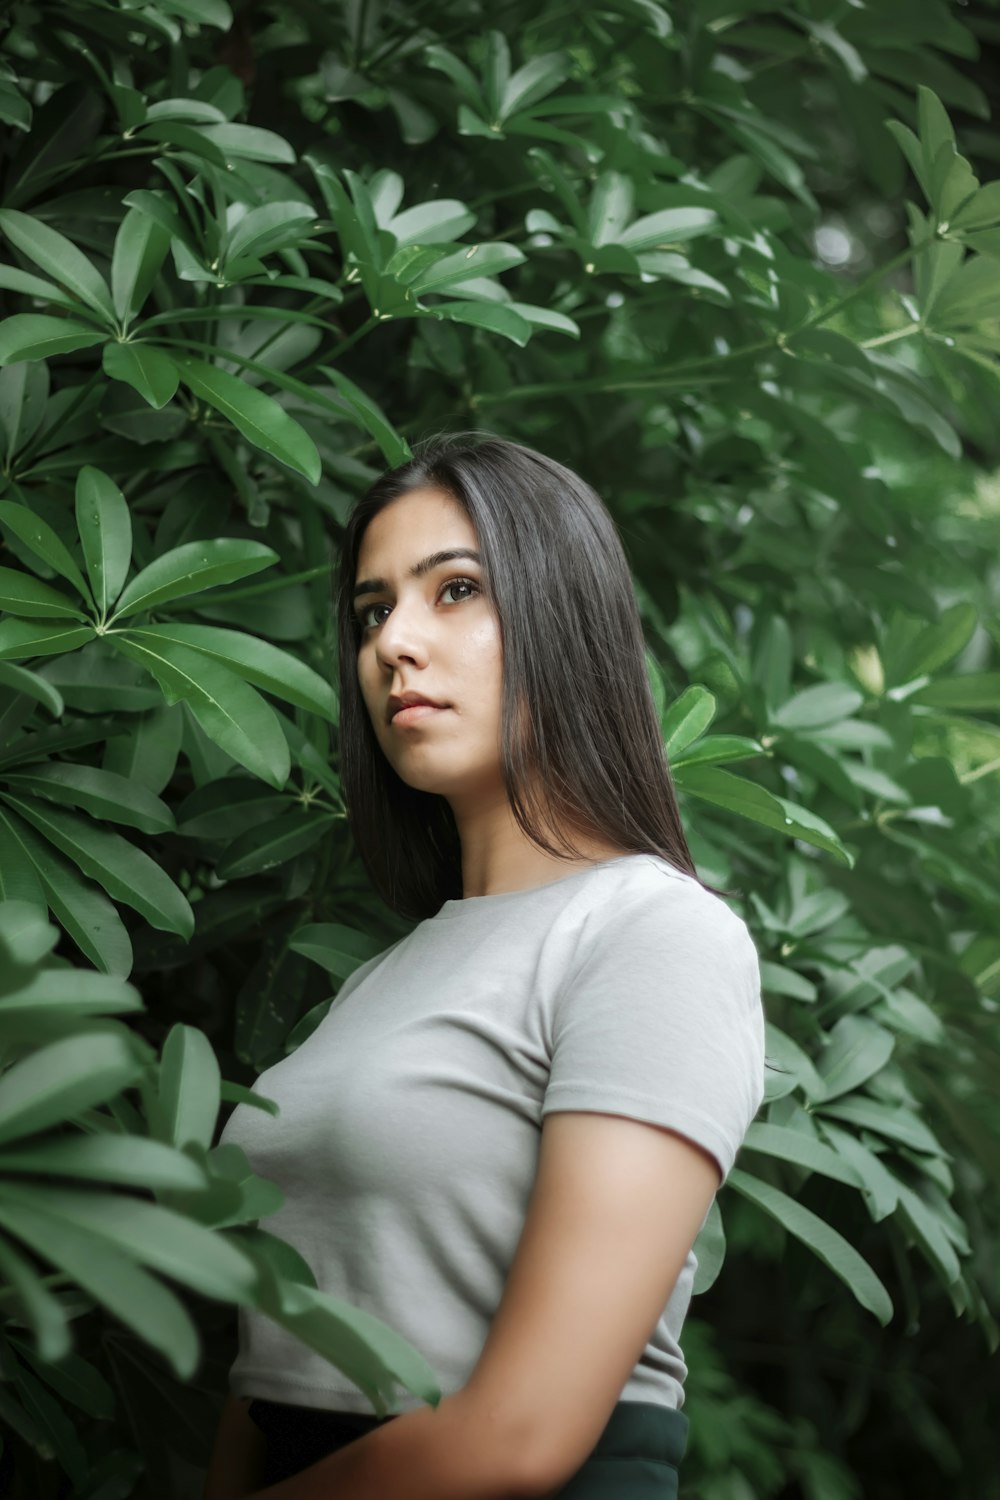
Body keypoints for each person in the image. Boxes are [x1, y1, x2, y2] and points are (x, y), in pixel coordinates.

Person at [202, 433, 766, 1500]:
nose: (394, 645)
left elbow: (520, 1435)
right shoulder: (378, 980)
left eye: (454, 589)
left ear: (564, 619)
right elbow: (270, 1359)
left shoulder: (651, 933)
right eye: (373, 611)